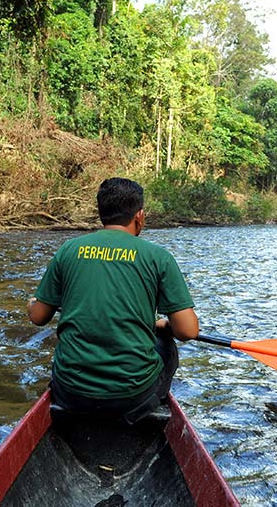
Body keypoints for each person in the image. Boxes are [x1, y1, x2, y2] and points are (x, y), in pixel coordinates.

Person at [27, 177, 199, 424]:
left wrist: (31, 303)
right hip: (132, 398)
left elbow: (38, 317)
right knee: (165, 344)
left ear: (101, 214)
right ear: (139, 216)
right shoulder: (158, 258)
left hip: (70, 393)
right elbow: (188, 331)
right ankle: (152, 407)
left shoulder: (68, 250)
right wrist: (162, 326)